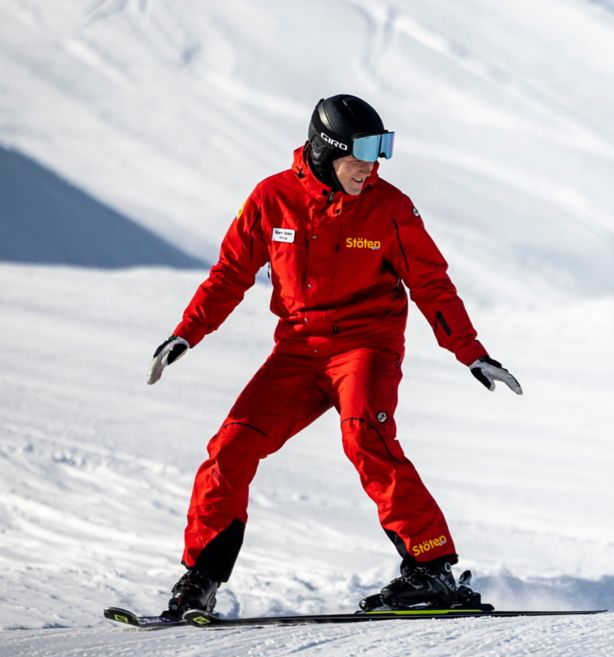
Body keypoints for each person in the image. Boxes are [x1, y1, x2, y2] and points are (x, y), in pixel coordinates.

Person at [146, 94, 522, 619]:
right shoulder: (271, 198)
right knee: (229, 449)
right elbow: (230, 273)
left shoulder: (389, 207)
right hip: (298, 351)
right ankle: (201, 579)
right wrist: (187, 333)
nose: (373, 166)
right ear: (326, 151)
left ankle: (431, 569)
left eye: (381, 151)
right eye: (363, 154)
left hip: (366, 345)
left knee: (365, 434)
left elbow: (431, 284)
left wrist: (470, 352)